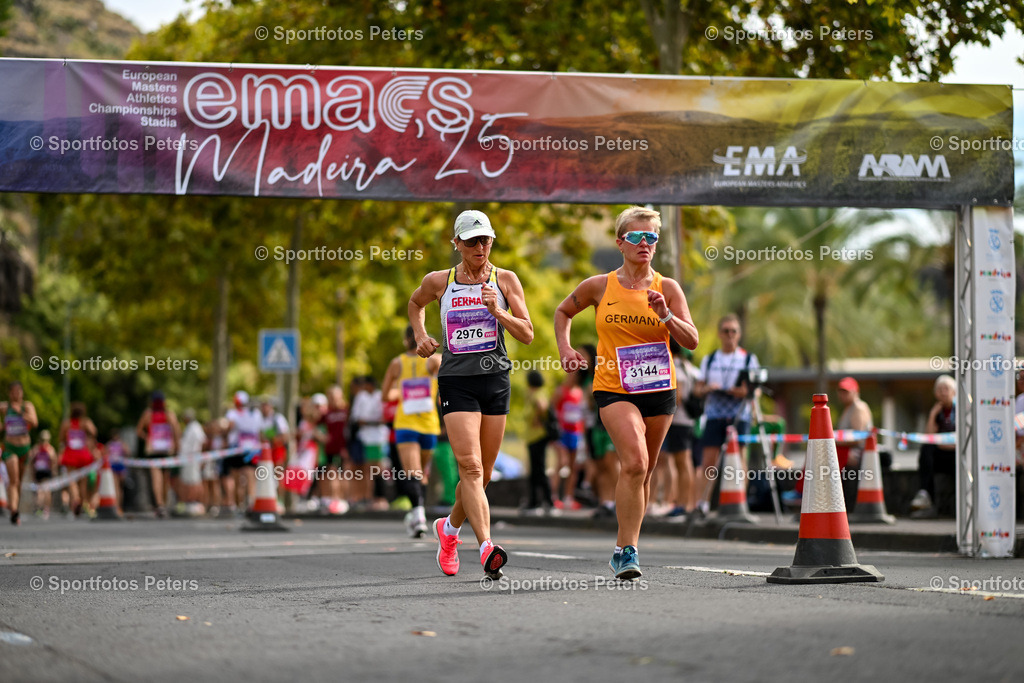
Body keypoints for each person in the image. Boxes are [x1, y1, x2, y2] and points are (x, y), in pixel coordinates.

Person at [555, 206, 698, 580]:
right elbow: (563, 312)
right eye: (636, 237)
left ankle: (624, 545)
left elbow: (693, 341)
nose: (645, 244)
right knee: (634, 462)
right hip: (613, 388)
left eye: (651, 237)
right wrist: (565, 349)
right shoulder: (600, 286)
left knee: (646, 470)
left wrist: (666, 315)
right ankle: (628, 550)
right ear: (620, 243)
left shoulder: (667, 288)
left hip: (659, 390)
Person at [409, 209, 533, 579]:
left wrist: (498, 311)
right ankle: (486, 548)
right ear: (457, 244)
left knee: (485, 473)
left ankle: (448, 531)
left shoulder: (506, 280)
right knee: (472, 467)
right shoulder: (439, 281)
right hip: (456, 381)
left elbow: (527, 333)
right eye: (471, 240)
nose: (480, 247)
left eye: (485, 239)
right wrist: (420, 335)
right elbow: (415, 304)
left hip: (495, 380)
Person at [691, 314, 759, 520]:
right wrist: (707, 389)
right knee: (709, 462)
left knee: (740, 460)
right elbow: (697, 389)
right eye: (726, 331)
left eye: (734, 331)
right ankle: (701, 504)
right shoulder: (710, 359)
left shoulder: (748, 358)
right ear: (720, 334)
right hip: (715, 415)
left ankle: (740, 502)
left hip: (740, 416)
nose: (730, 335)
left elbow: (755, 390)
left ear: (739, 334)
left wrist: (744, 392)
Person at [382, 325, 442, 537]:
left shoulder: (397, 364)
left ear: (405, 339)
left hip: (409, 424)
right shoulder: (435, 361)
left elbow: (385, 395)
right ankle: (419, 516)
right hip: (427, 426)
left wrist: (405, 389)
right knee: (417, 473)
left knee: (417, 474)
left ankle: (417, 513)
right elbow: (448, 377)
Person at [911, 374, 956, 518]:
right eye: (940, 389)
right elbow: (929, 437)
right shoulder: (938, 412)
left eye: (946, 389)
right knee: (926, 449)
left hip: (956, 453)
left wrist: (944, 445)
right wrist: (932, 414)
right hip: (941, 454)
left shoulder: (961, 410)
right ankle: (925, 494)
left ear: (953, 391)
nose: (943, 392)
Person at [664, 344, 699, 518]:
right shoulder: (691, 368)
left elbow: (676, 397)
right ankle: (685, 502)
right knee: (684, 462)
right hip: (688, 421)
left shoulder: (674, 366)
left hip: (678, 420)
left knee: (682, 462)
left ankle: (684, 504)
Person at [136, 390, 181, 518]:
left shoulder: (147, 414)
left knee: (156, 478)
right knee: (166, 479)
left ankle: (160, 504)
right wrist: (177, 445)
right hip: (167, 449)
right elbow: (177, 430)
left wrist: (148, 438)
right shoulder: (169, 414)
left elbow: (138, 431)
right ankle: (164, 504)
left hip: (153, 449)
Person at [1, 380, 38, 525]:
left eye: (18, 391)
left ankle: (15, 509)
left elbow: (35, 422)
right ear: (9, 393)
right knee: (14, 480)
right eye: (13, 391)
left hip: (25, 448)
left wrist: (20, 413)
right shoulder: (5, 407)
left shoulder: (27, 406)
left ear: (22, 392)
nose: (16, 394)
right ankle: (14, 510)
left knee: (19, 482)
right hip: (10, 447)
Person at [522, 370, 556, 516]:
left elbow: (542, 407)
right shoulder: (537, 393)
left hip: (538, 437)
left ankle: (547, 501)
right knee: (536, 470)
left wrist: (538, 418)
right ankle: (536, 501)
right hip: (533, 437)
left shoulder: (537, 394)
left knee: (539, 470)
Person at [552, 368, 585, 510]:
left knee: (573, 466)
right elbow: (552, 410)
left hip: (575, 433)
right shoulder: (560, 391)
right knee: (561, 463)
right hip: (562, 432)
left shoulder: (579, 392)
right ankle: (552, 496)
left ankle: (568, 497)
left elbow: (582, 414)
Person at [59, 402, 98, 518]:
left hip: (70, 453)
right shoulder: (85, 422)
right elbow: (94, 431)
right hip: (83, 454)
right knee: (83, 481)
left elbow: (61, 439)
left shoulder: (67, 423)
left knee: (72, 479)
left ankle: (76, 500)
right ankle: (83, 502)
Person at [225, 390, 262, 512]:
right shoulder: (255, 414)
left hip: (240, 449)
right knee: (248, 477)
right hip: (248, 449)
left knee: (239, 478)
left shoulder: (233, 414)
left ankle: (243, 504)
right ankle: (248, 503)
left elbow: (228, 428)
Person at [179, 408, 208, 516]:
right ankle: (189, 502)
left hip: (193, 458)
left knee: (195, 481)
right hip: (187, 458)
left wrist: (200, 456)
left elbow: (203, 441)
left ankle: (196, 502)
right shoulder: (189, 427)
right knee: (187, 481)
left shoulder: (196, 427)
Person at [30, 430, 57, 519]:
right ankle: (45, 509)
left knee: (40, 491)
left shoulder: (36, 448)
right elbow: (53, 460)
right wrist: (54, 471)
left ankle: (39, 508)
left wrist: (32, 472)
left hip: (40, 471)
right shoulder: (50, 448)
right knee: (46, 491)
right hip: (45, 471)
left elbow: (31, 460)